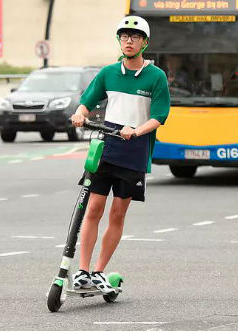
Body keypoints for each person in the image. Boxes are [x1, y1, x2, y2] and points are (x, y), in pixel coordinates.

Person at [69, 16, 170, 293]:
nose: (129, 40)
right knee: (93, 209)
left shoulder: (156, 77)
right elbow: (87, 103)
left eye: (135, 37)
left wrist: (136, 131)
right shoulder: (108, 72)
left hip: (134, 148)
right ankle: (82, 271)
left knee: (117, 213)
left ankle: (99, 271)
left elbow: (159, 117)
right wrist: (79, 115)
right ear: (119, 40)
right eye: (125, 36)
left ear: (144, 43)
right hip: (106, 146)